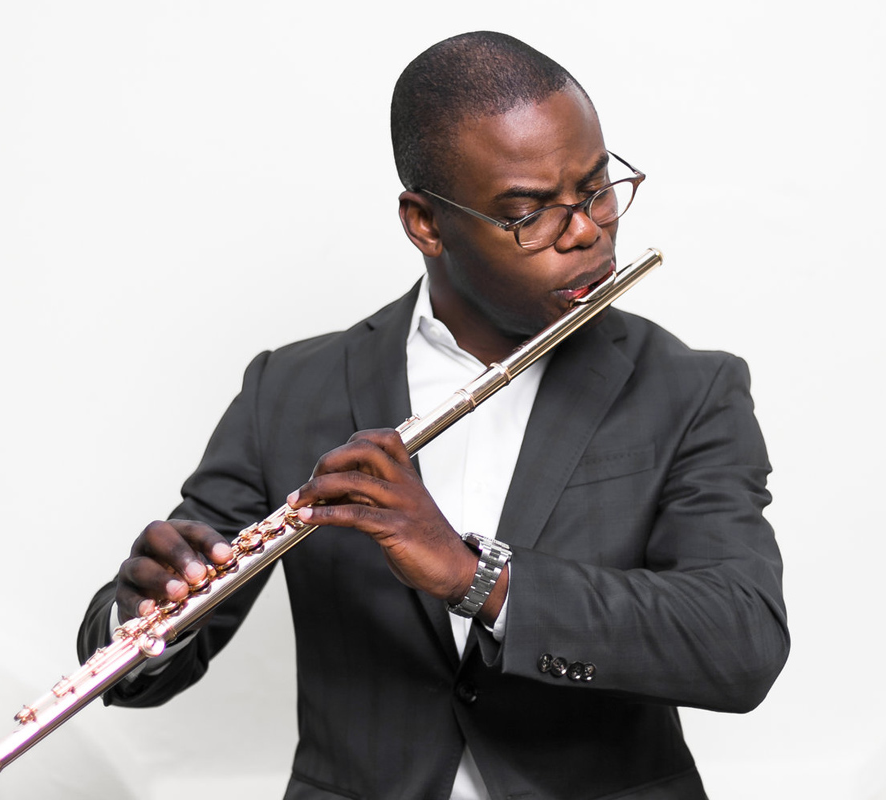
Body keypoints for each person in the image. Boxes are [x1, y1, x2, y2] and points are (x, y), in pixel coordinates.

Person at [78, 31, 788, 800]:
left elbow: (740, 642)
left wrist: (478, 578)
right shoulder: (290, 388)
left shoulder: (688, 387)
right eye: (530, 213)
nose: (585, 229)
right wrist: (146, 614)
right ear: (425, 223)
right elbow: (140, 678)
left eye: (597, 188)